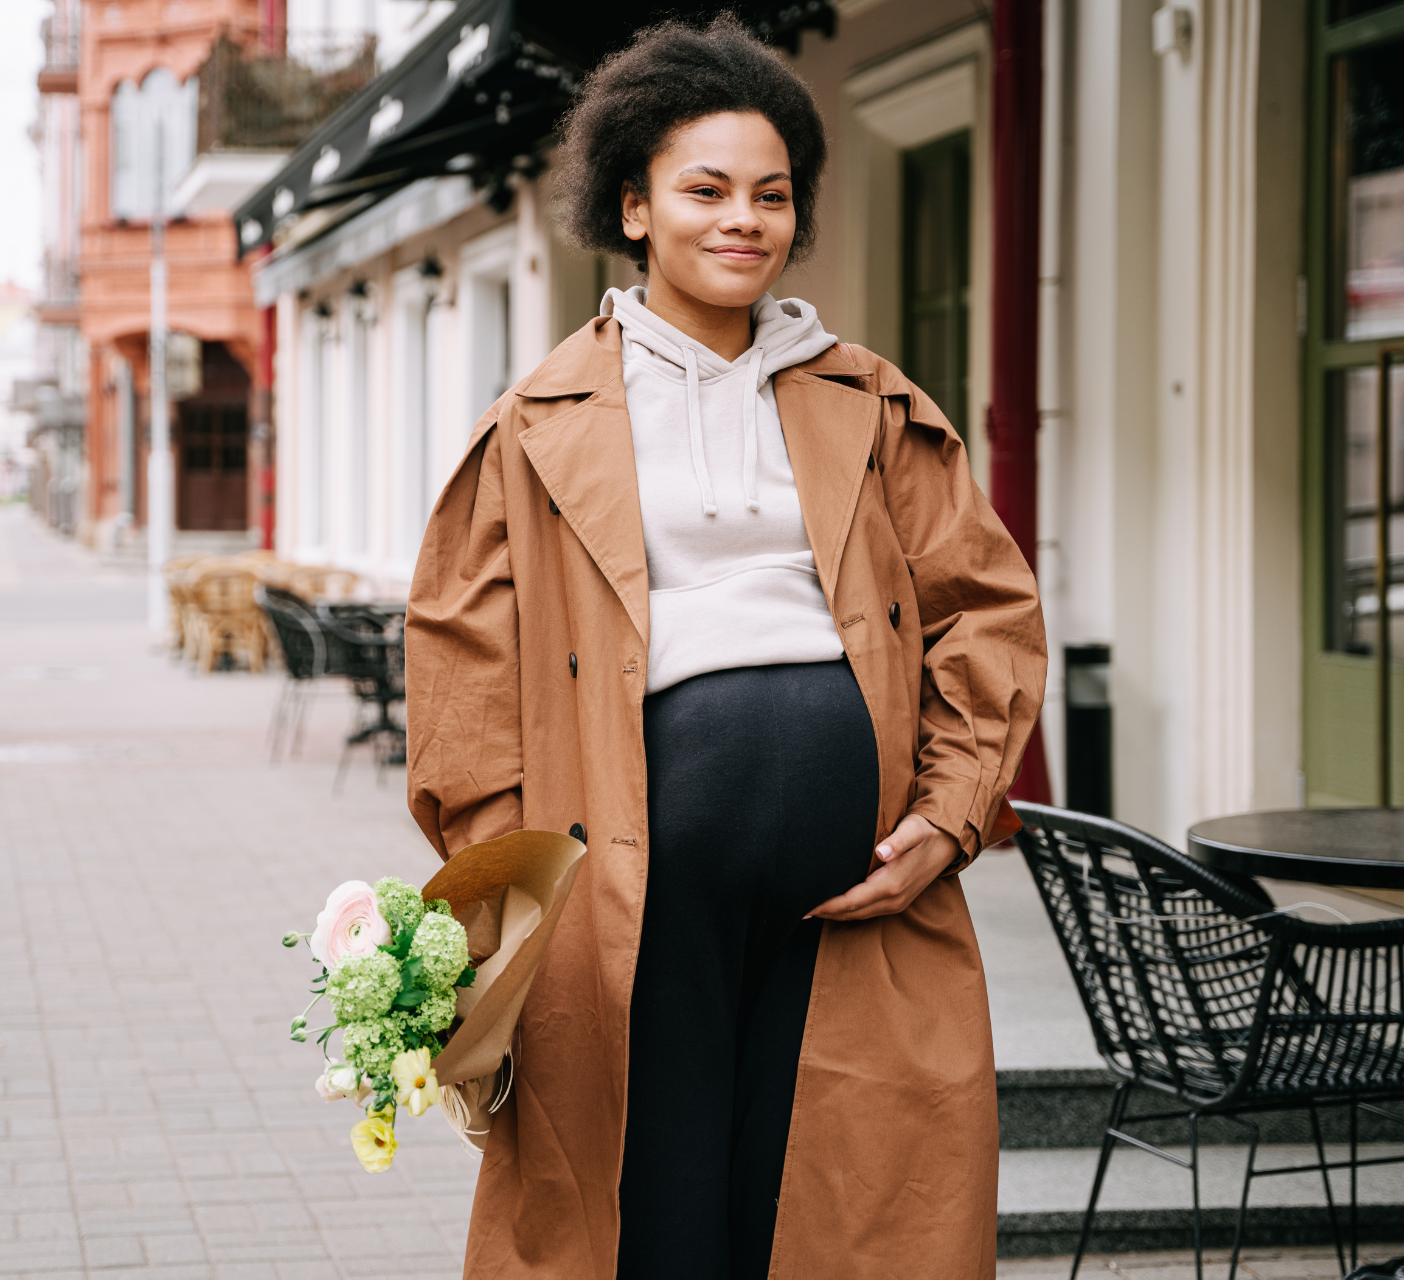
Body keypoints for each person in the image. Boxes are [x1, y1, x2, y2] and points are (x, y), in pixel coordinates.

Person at [403, 19, 1046, 1280]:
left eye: (771, 194)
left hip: (861, 882)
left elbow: (987, 610)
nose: (741, 218)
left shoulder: (872, 401)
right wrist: (509, 888)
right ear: (633, 205)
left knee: (832, 1199)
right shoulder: (536, 423)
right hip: (625, 890)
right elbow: (461, 664)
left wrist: (945, 817)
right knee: (652, 1192)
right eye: (704, 189)